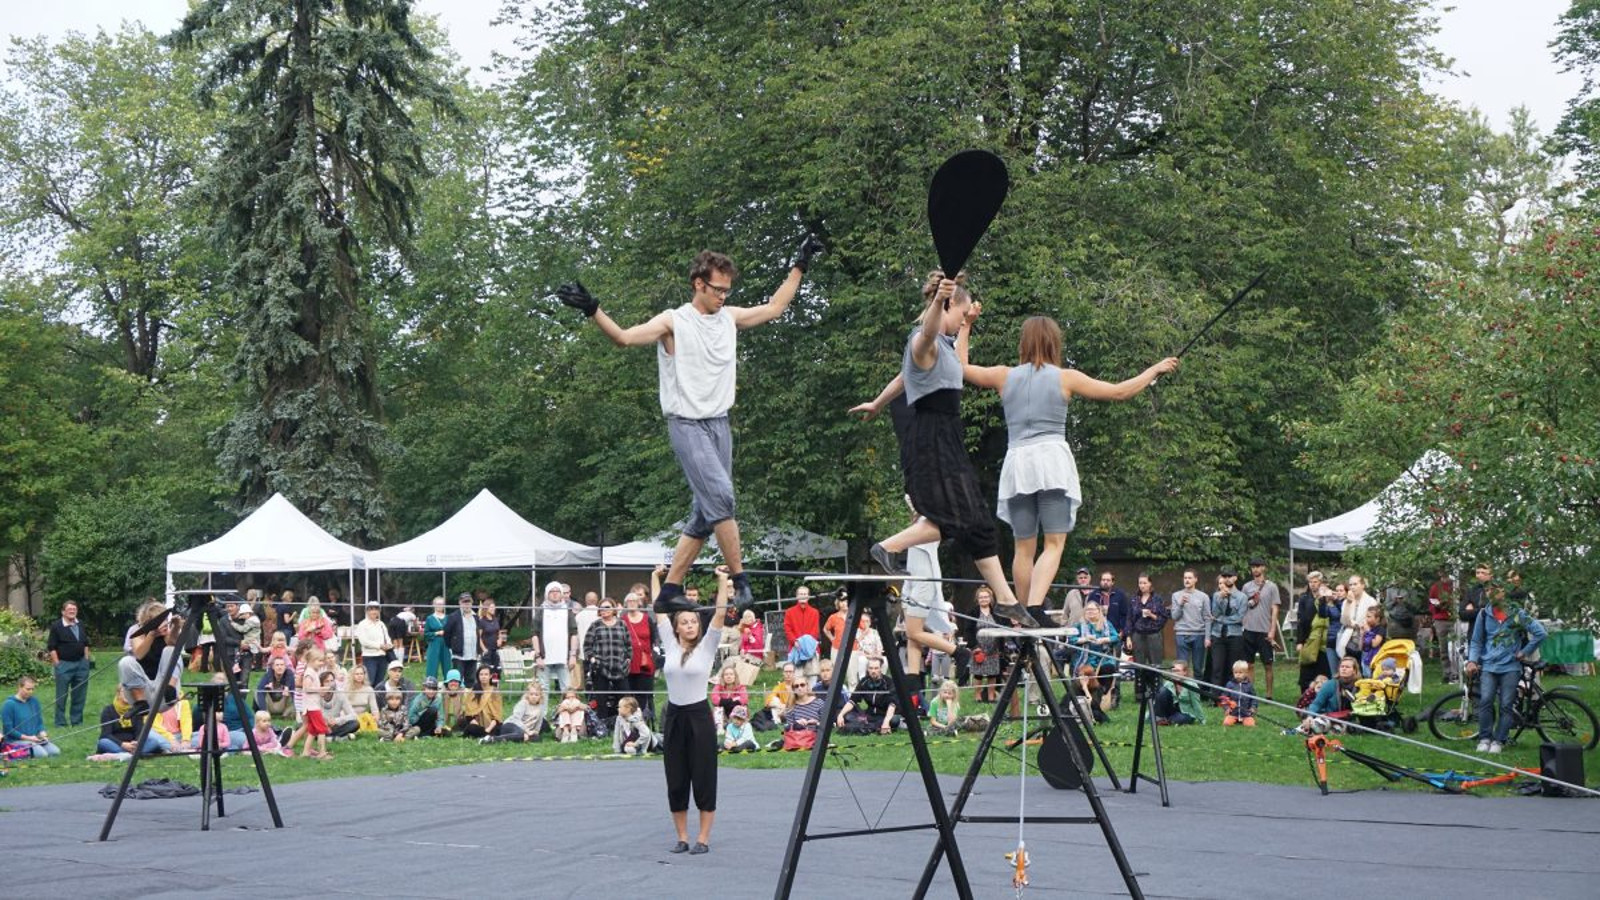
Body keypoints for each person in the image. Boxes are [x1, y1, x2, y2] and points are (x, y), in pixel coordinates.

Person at [559, 239, 823, 616]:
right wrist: (593, 309)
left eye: (727, 291)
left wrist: (799, 265)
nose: (723, 296)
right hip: (687, 424)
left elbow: (776, 307)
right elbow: (624, 338)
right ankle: (741, 580)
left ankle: (669, 590)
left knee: (706, 511)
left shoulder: (729, 317)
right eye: (718, 289)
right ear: (699, 284)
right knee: (722, 497)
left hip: (720, 424)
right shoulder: (674, 321)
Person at [957, 314, 1178, 615]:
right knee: (1054, 542)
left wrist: (965, 326)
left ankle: (1021, 614)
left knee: (1024, 546)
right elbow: (1119, 392)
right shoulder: (1065, 377)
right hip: (1052, 462)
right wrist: (1154, 369)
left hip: (1019, 462)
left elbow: (959, 368)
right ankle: (1034, 607)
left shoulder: (1004, 375)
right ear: (1054, 343)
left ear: (1023, 343)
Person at [850, 272, 1035, 626]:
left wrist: (877, 403)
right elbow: (928, 333)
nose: (959, 322)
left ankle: (1008, 600)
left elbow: (936, 371)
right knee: (955, 518)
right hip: (930, 436)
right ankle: (888, 547)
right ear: (947, 306)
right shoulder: (924, 341)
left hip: (947, 435)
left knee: (977, 521)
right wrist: (939, 302)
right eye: (959, 314)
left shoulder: (946, 347)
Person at [653, 564, 731, 854]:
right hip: (674, 717)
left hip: (699, 717)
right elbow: (659, 609)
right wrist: (656, 577)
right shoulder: (670, 647)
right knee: (676, 779)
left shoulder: (707, 647)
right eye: (684, 622)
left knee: (703, 777)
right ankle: (683, 836)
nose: (689, 626)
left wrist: (723, 579)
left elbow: (720, 612)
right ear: (676, 627)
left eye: (693, 622)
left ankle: (703, 838)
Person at [1465, 580, 1547, 754]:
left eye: (1493, 589)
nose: (1490, 593)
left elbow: (1541, 632)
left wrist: (1525, 651)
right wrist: (1472, 660)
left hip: (1510, 667)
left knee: (1506, 704)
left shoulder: (1517, 613)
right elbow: (1476, 641)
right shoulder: (1483, 614)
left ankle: (1499, 740)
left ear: (1503, 591)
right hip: (1488, 665)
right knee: (1485, 701)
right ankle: (1485, 738)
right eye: (1487, 590)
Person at [583, 597, 632, 722]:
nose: (604, 610)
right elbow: (587, 646)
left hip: (620, 667)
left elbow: (628, 645)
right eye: (601, 608)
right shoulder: (595, 625)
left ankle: (624, 724)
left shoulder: (622, 624)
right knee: (601, 699)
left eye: (607, 607)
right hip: (601, 667)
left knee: (624, 698)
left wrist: (628, 659)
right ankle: (602, 726)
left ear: (614, 609)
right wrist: (593, 659)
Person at [1239, 558, 1282, 698]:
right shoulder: (1246, 587)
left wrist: (1272, 630)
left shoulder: (1272, 587)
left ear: (1264, 568)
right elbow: (1242, 606)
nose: (1255, 569)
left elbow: (1275, 609)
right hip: (1249, 629)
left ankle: (1269, 694)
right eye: (1253, 567)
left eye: (1258, 566)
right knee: (1249, 664)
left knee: (1268, 664)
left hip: (1264, 630)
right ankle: (1250, 693)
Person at [620, 588, 659, 721]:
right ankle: (629, 719)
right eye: (629, 601)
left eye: (634, 601)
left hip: (644, 661)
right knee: (630, 693)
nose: (631, 603)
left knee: (645, 693)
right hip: (629, 661)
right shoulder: (622, 619)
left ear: (639, 603)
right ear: (625, 604)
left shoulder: (647, 619)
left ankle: (645, 718)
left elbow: (654, 637)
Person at [97, 685, 168, 756]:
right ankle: (134, 754)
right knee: (103, 742)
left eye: (129, 692)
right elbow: (106, 734)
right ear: (118, 694)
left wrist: (136, 742)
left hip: (134, 745)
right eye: (124, 692)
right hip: (117, 744)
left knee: (153, 742)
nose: (127, 694)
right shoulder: (108, 710)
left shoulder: (137, 709)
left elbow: (140, 731)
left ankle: (128, 754)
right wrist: (123, 744)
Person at [532, 583, 577, 693]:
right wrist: (538, 656)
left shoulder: (567, 610)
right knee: (543, 690)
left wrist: (572, 655)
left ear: (561, 594)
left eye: (558, 591)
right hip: (544, 657)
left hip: (564, 658)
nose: (555, 594)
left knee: (566, 689)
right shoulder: (540, 611)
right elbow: (534, 634)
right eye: (552, 591)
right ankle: (542, 711)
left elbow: (574, 634)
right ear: (547, 594)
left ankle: (565, 710)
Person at [1207, 571, 1246, 697]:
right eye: (1224, 577)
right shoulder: (1217, 595)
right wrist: (1221, 599)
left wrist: (1221, 619)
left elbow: (1239, 617)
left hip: (1234, 635)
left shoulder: (1241, 597)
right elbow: (1215, 614)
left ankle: (1231, 696)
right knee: (1217, 667)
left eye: (1230, 576)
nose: (1227, 579)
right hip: (1217, 634)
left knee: (1232, 667)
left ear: (1235, 578)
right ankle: (1215, 697)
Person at [2, 677, 60, 757]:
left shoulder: (34, 701)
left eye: (32, 689)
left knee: (55, 752)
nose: (31, 692)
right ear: (19, 687)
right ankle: (12, 751)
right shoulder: (8, 704)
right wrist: (28, 738)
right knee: (42, 754)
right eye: (28, 689)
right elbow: (8, 730)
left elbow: (39, 723)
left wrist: (43, 735)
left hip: (34, 739)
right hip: (15, 740)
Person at [1168, 569, 1209, 680]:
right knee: (1181, 668)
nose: (1187, 580)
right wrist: (1181, 604)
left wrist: (1207, 637)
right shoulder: (1176, 595)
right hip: (1181, 634)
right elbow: (1174, 616)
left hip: (1199, 634)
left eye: (1190, 578)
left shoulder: (1203, 597)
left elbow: (1207, 618)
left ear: (1196, 579)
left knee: (1197, 668)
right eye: (1185, 578)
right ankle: (1183, 695)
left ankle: (1197, 695)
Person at [842, 656, 899, 735]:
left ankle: (867, 727)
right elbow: (852, 700)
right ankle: (871, 727)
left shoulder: (889, 682)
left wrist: (886, 722)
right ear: (867, 669)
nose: (873, 671)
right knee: (847, 716)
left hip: (884, 715)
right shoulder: (864, 681)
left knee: (895, 720)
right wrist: (841, 715)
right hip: (868, 715)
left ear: (881, 669)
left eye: (876, 668)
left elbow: (892, 704)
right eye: (871, 668)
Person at [1296, 573, 1332, 692]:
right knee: (1306, 669)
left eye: (1315, 582)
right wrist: (1300, 641)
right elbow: (1300, 621)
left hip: (1323, 639)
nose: (1313, 584)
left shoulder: (1327, 597)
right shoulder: (1304, 598)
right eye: (1310, 582)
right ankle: (1304, 697)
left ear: (1320, 582)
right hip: (1308, 637)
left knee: (1323, 669)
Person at [1125, 573, 1169, 667]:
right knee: (1139, 666)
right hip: (1138, 635)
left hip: (1153, 635)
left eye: (1145, 583)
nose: (1142, 585)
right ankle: (1140, 682)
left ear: (1150, 584)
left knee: (1155, 665)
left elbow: (1163, 618)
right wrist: (1128, 637)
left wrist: (1151, 615)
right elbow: (1129, 619)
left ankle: (1156, 682)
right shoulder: (1134, 599)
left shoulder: (1157, 599)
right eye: (1140, 583)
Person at [443, 592, 481, 688]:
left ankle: (468, 701)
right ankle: (457, 702)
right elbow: (446, 633)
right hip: (459, 655)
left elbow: (478, 634)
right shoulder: (453, 617)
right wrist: (453, 646)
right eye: (464, 602)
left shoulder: (475, 617)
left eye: (468, 602)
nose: (466, 604)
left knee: (471, 680)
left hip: (473, 654)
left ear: (472, 603)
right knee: (457, 680)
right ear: (460, 603)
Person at [1423, 570, 1456, 677]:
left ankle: (1456, 672)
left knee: (1456, 647)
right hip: (1440, 620)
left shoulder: (1455, 585)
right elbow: (1431, 604)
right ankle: (1447, 673)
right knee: (1443, 648)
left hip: (1454, 619)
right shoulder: (1435, 587)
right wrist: (1436, 608)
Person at [456, 665, 503, 740]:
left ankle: (484, 735)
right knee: (471, 727)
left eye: (486, 674)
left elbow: (497, 715)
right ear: (478, 676)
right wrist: (480, 728)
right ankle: (485, 735)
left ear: (490, 676)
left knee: (500, 729)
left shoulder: (495, 691)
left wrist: (488, 730)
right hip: (477, 725)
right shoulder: (473, 691)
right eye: (481, 674)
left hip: (492, 725)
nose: (483, 677)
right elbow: (469, 714)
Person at [1073, 601, 1119, 677]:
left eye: (1093, 609)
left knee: (1108, 668)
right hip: (1085, 658)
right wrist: (1085, 639)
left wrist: (1103, 640)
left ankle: (1106, 688)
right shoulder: (1079, 625)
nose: (1090, 611)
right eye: (1088, 609)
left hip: (1104, 658)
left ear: (1098, 610)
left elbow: (1116, 637)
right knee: (1086, 671)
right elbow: (1071, 639)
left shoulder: (1106, 624)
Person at [784, 586, 822, 675]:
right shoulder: (789, 612)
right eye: (801, 594)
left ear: (808, 597)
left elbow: (815, 631)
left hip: (811, 649)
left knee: (812, 678)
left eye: (805, 594)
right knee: (797, 679)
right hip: (795, 649)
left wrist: (805, 645)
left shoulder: (815, 612)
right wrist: (795, 642)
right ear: (797, 596)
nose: (803, 596)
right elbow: (788, 630)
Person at [354, 600, 392, 688]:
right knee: (369, 681)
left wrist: (389, 645)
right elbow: (364, 641)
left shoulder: (381, 624)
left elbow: (387, 637)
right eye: (371, 609)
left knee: (380, 682)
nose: (374, 611)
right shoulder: (362, 624)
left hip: (382, 656)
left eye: (376, 609)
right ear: (367, 611)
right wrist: (379, 646)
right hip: (370, 656)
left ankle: (377, 700)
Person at [1153, 661, 1205, 726]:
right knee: (1162, 691)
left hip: (1184, 712)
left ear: (1185, 672)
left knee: (1182, 719)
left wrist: (1202, 720)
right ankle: (1159, 718)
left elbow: (1196, 703)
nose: (1175, 673)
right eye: (1173, 671)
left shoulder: (1192, 685)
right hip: (1171, 710)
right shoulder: (1168, 683)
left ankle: (1164, 720)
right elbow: (1159, 700)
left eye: (1177, 671)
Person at [1087, 572, 1130, 645]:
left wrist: (1122, 631)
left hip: (1115, 633)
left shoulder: (1120, 595)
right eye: (1103, 580)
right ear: (1100, 581)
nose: (1105, 582)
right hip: (1097, 632)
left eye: (1108, 580)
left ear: (1113, 582)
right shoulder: (1093, 595)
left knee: (1114, 655)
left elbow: (1125, 615)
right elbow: (1087, 613)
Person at [573, 592, 600, 689]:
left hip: (584, 651)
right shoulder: (601, 614)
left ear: (586, 601)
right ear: (597, 600)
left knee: (587, 673)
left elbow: (575, 634)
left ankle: (589, 695)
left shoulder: (579, 616)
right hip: (599, 651)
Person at [1220, 661, 1258, 727]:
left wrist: (1253, 707)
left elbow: (1254, 698)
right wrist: (1226, 708)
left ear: (1246, 673)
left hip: (1246, 714)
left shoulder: (1249, 685)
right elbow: (1224, 698)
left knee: (1250, 725)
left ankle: (1246, 720)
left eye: (1240, 672)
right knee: (1226, 723)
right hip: (1232, 713)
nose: (1238, 674)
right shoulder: (1229, 684)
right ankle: (1234, 719)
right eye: (1236, 672)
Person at [710, 665, 746, 733]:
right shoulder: (718, 687)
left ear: (735, 676)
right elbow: (715, 700)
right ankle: (720, 728)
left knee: (742, 707)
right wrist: (733, 700)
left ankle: (736, 727)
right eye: (726, 674)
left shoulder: (741, 687)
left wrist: (723, 701)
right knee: (718, 708)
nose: (729, 676)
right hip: (723, 714)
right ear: (723, 677)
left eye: (731, 674)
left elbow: (744, 700)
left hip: (735, 713)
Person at [345, 665, 380, 732]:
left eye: (361, 674)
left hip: (363, 717)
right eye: (357, 674)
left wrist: (376, 716)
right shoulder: (346, 689)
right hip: (348, 716)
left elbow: (374, 708)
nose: (359, 676)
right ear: (352, 675)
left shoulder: (369, 689)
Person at [422, 596, 450, 681]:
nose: (440, 606)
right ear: (434, 605)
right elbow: (426, 634)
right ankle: (430, 685)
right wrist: (436, 633)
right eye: (438, 604)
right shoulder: (430, 618)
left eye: (442, 604)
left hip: (446, 644)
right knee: (432, 666)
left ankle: (449, 685)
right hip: (434, 644)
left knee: (447, 665)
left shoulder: (448, 618)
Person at [478, 596, 503, 678]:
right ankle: (487, 689)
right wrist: (484, 650)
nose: (493, 609)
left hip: (495, 650)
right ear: (486, 608)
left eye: (494, 607)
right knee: (488, 672)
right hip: (486, 652)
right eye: (491, 607)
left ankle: (495, 688)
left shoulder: (495, 620)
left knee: (496, 672)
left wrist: (500, 639)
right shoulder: (482, 621)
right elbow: (478, 637)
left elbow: (499, 632)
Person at [1359, 606, 1387, 675]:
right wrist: (1362, 634)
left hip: (1374, 658)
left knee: (1372, 677)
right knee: (1365, 677)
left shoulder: (1380, 629)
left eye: (1369, 617)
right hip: (1365, 656)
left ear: (1377, 619)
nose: (1366, 619)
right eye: (1366, 616)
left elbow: (1375, 644)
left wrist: (1368, 631)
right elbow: (1360, 647)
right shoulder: (1368, 628)